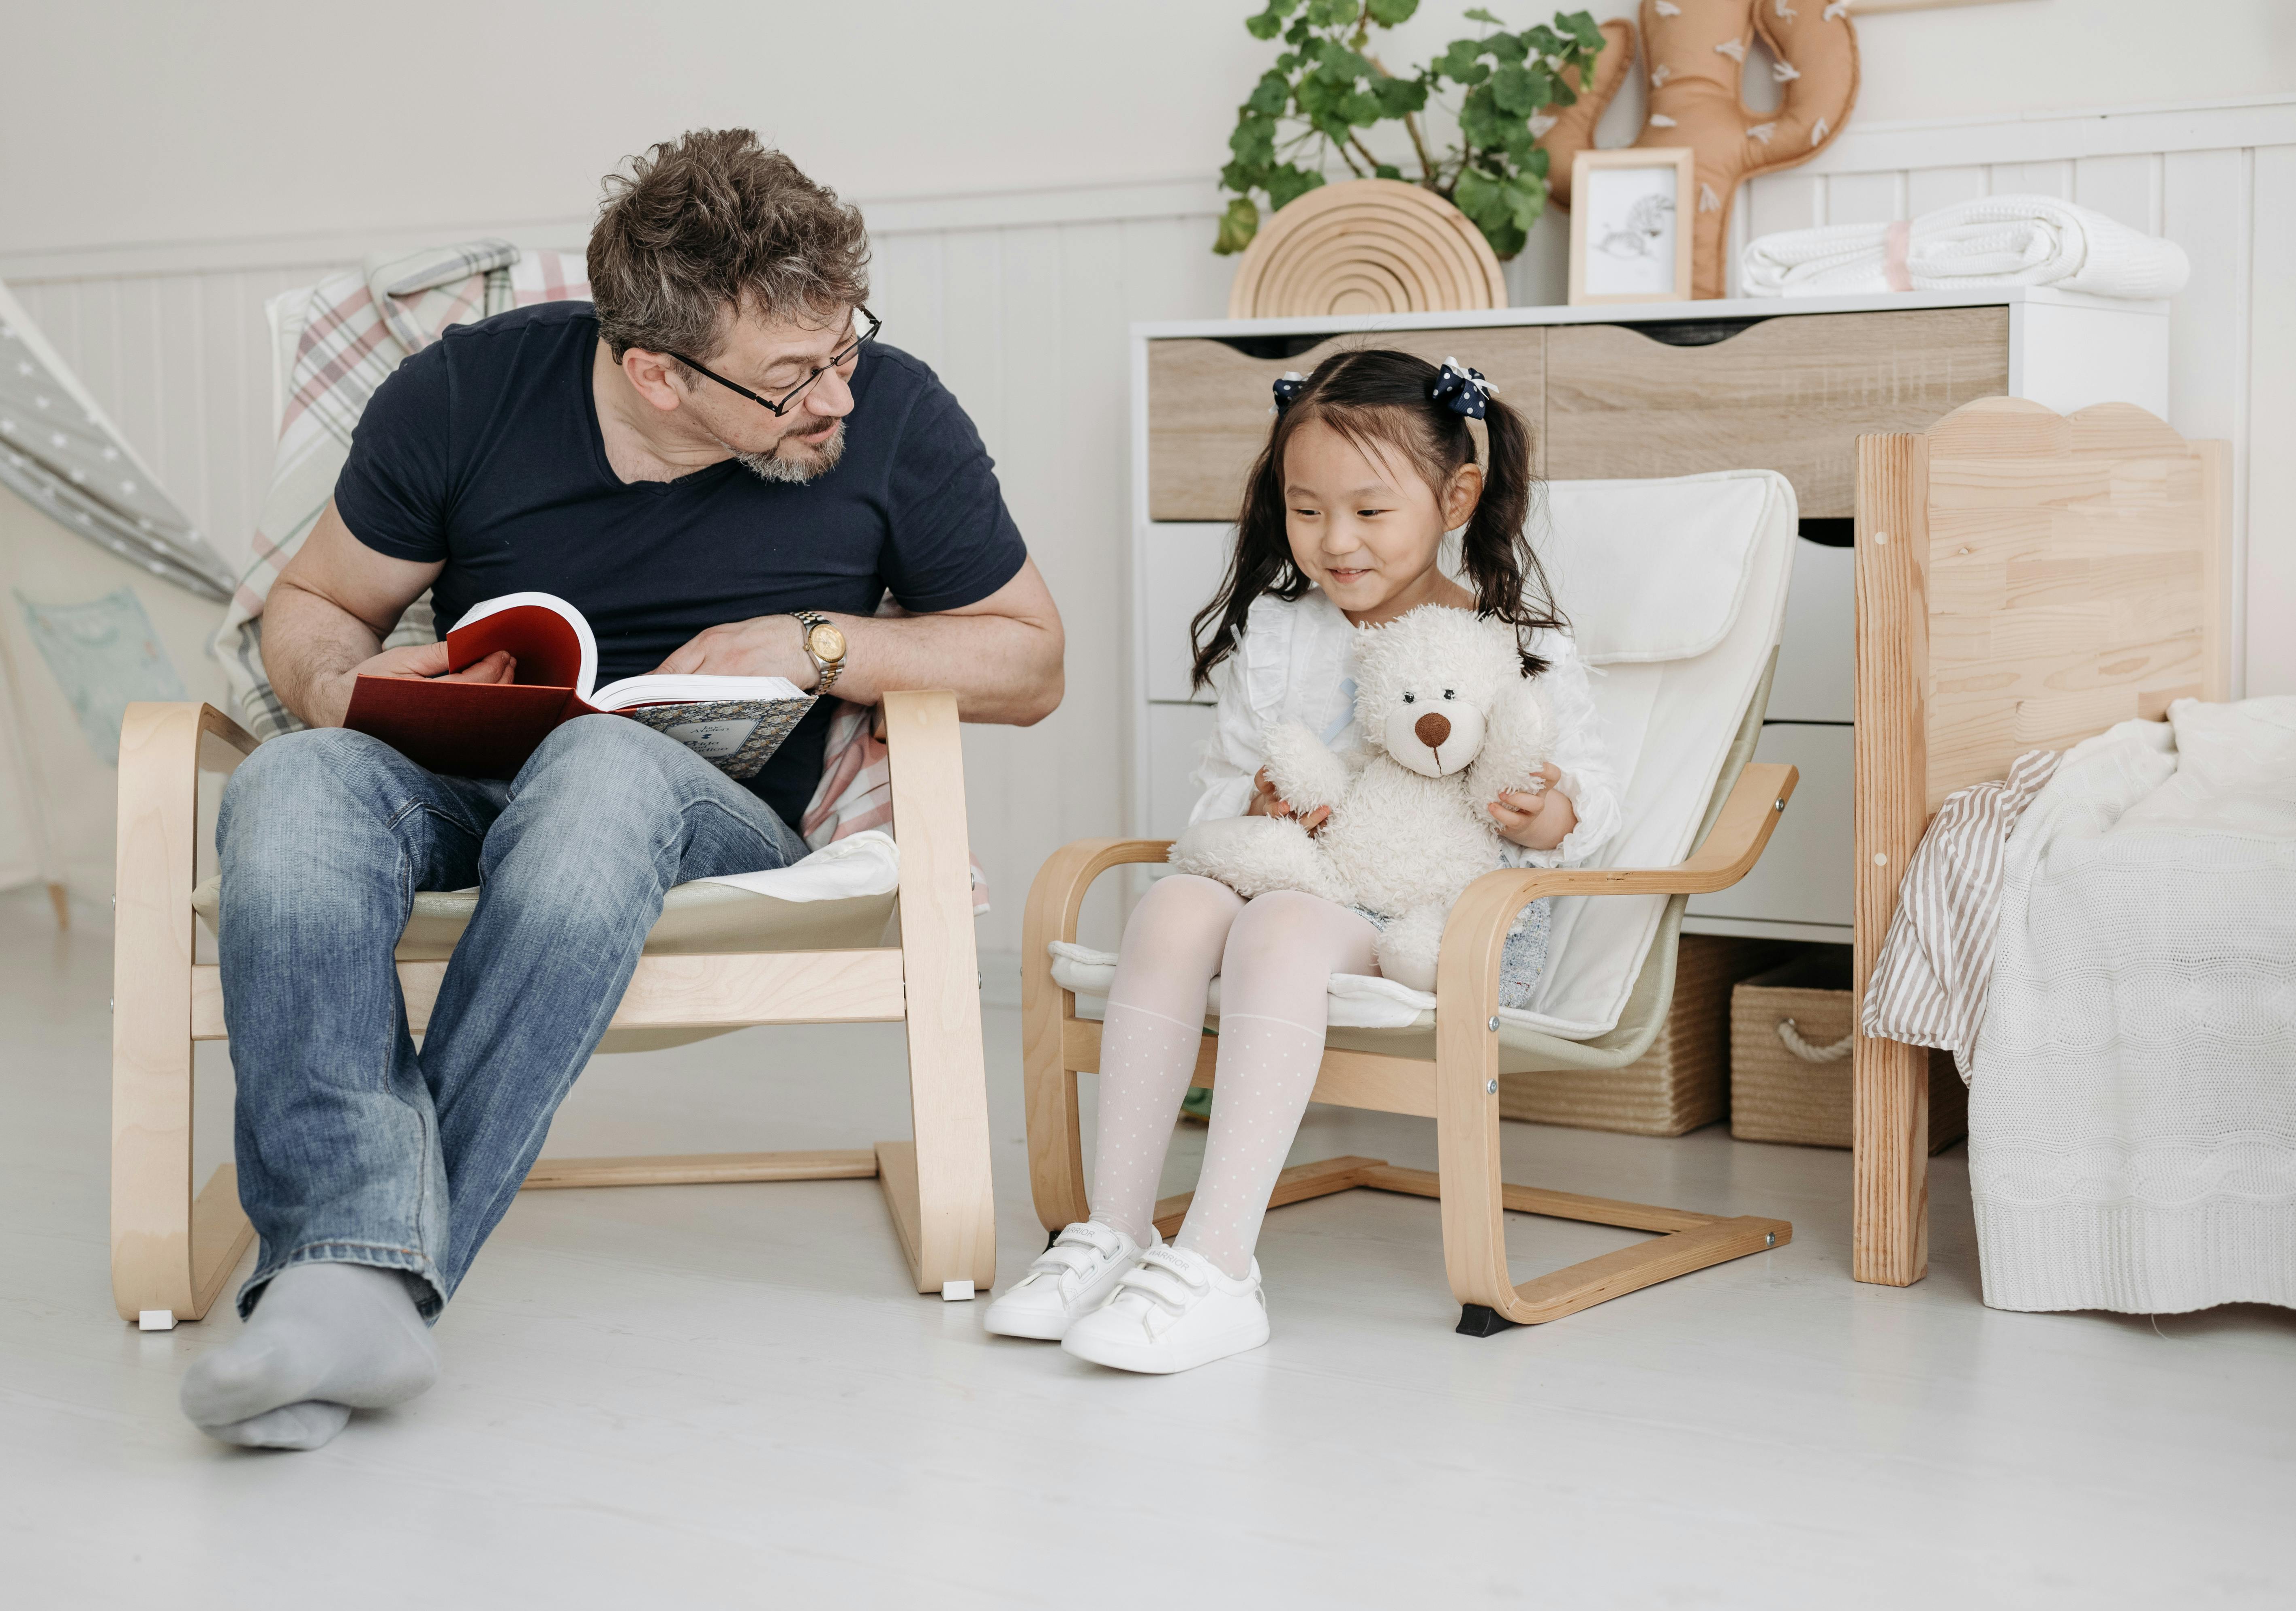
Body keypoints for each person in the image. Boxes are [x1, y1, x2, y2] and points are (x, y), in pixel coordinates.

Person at [180, 129, 1063, 1451]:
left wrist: (819, 644)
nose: (838, 395)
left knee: (598, 766)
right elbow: (314, 604)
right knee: (296, 781)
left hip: (711, 813)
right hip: (467, 779)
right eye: (793, 377)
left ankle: (344, 1276)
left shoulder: (893, 414)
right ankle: (356, 1292)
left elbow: (1031, 657)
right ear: (656, 371)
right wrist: (342, 683)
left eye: (845, 346)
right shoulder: (465, 392)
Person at [983, 349, 1618, 1374]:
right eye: (1307, 509)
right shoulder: (1280, 634)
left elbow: (1592, 804)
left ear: (1455, 498)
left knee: (1275, 927)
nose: (1336, 540)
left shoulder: (1511, 640)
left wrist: (1547, 813)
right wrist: (1257, 802)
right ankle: (1114, 1229)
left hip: (1439, 922)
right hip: (1300, 876)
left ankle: (1219, 1262)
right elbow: (1216, 796)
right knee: (1173, 906)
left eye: (1370, 511)